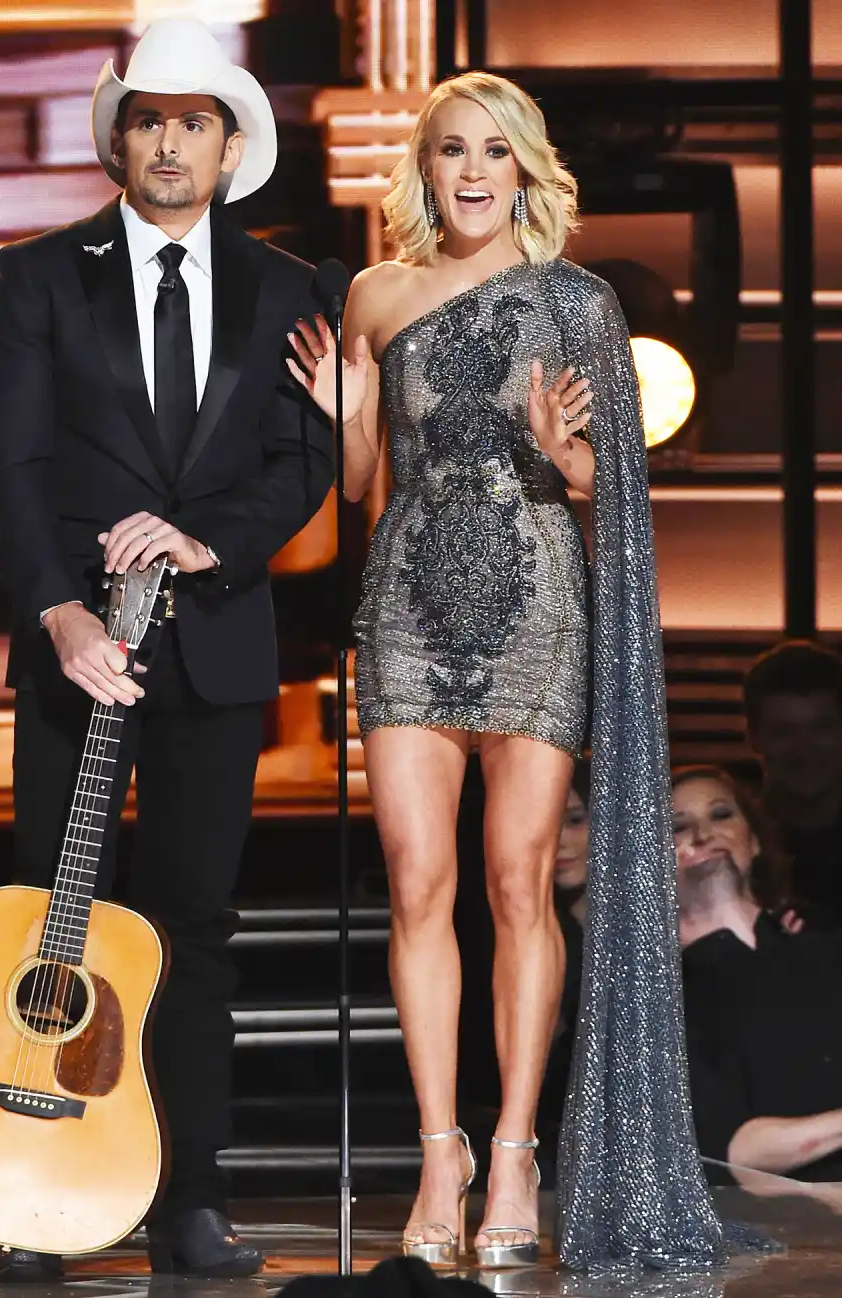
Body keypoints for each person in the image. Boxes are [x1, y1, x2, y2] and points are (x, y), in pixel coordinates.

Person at [287, 71, 725, 1271]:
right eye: (448, 150)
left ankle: (518, 1145)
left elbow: (620, 494)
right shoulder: (374, 292)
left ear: (525, 166)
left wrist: (564, 455)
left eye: (492, 150)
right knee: (418, 882)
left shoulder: (578, 304)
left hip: (537, 606)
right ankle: (443, 1150)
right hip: (407, 606)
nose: (471, 170)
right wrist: (348, 408)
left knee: (517, 881)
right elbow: (360, 483)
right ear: (422, 168)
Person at [0, 18, 332, 1280]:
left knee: (192, 925)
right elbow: (9, 465)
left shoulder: (292, 288)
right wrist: (56, 614)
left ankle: (188, 1196)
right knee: (46, 920)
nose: (169, 140)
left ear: (231, 145)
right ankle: (28, 1188)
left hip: (216, 645)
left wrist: (195, 540)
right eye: (148, 117)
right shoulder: (35, 275)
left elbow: (305, 461)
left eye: (195, 120)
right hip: (73, 648)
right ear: (116, 135)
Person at [673, 767, 842, 1184]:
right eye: (678, 825)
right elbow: (730, 1151)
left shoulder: (823, 947)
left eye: (721, 814)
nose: (702, 832)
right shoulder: (661, 992)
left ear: (755, 840)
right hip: (775, 1230)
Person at [744, 639, 842, 925]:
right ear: (754, 738)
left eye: (821, 728)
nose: (804, 750)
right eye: (783, 732)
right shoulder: (733, 849)